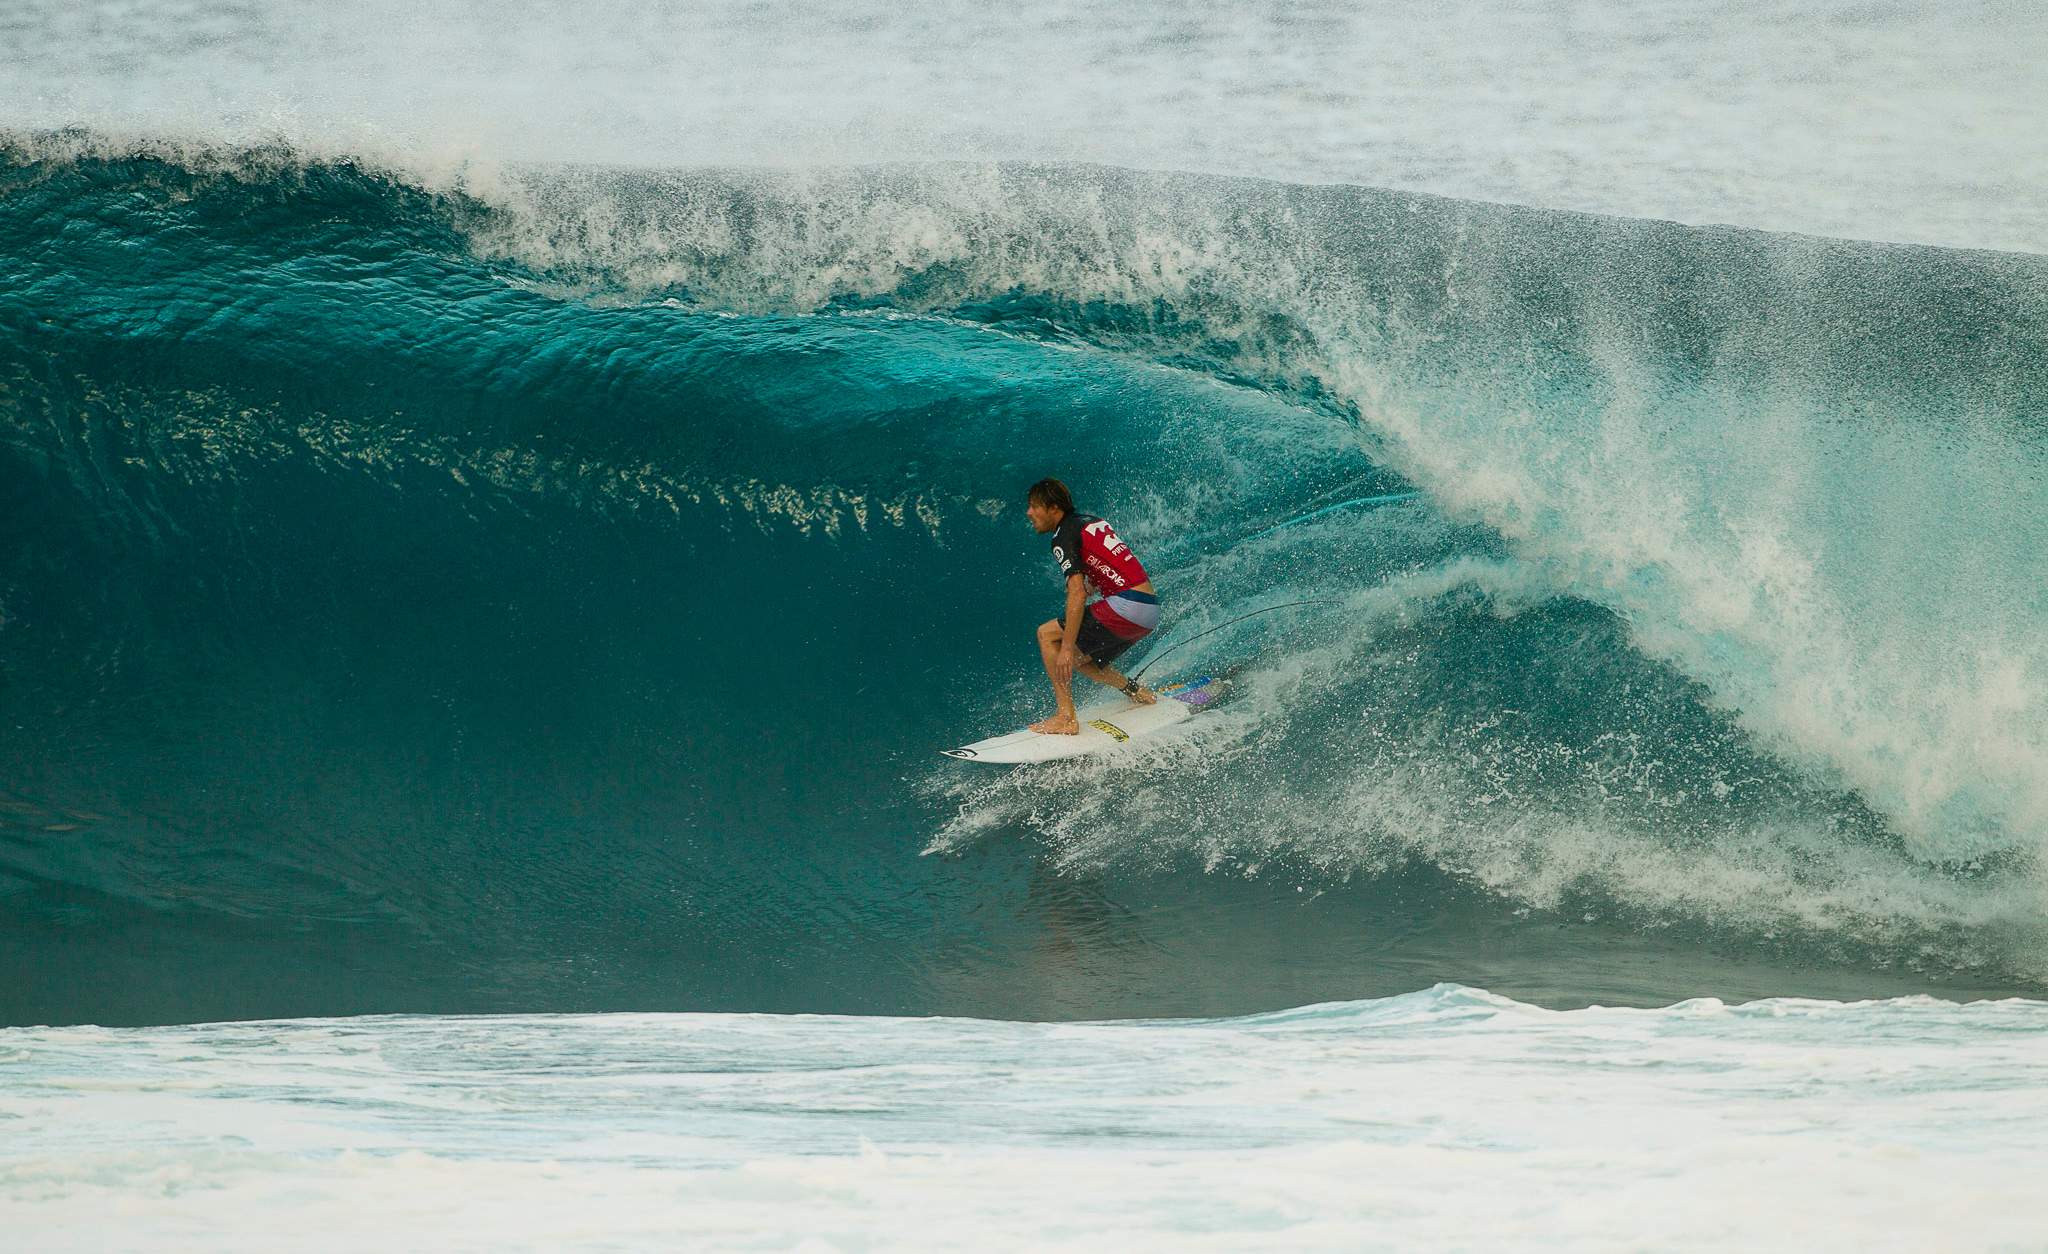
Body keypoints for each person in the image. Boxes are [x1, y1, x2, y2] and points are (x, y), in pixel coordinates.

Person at [1023, 477, 1161, 734]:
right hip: (1149, 610)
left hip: (1127, 607)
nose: (1029, 512)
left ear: (1054, 508)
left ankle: (1066, 717)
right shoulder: (1091, 522)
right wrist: (1093, 586)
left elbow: (1076, 594)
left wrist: (1064, 646)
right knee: (1079, 660)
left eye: (1033, 506)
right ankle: (1137, 691)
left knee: (1046, 635)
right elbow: (1115, 563)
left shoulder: (1062, 536)